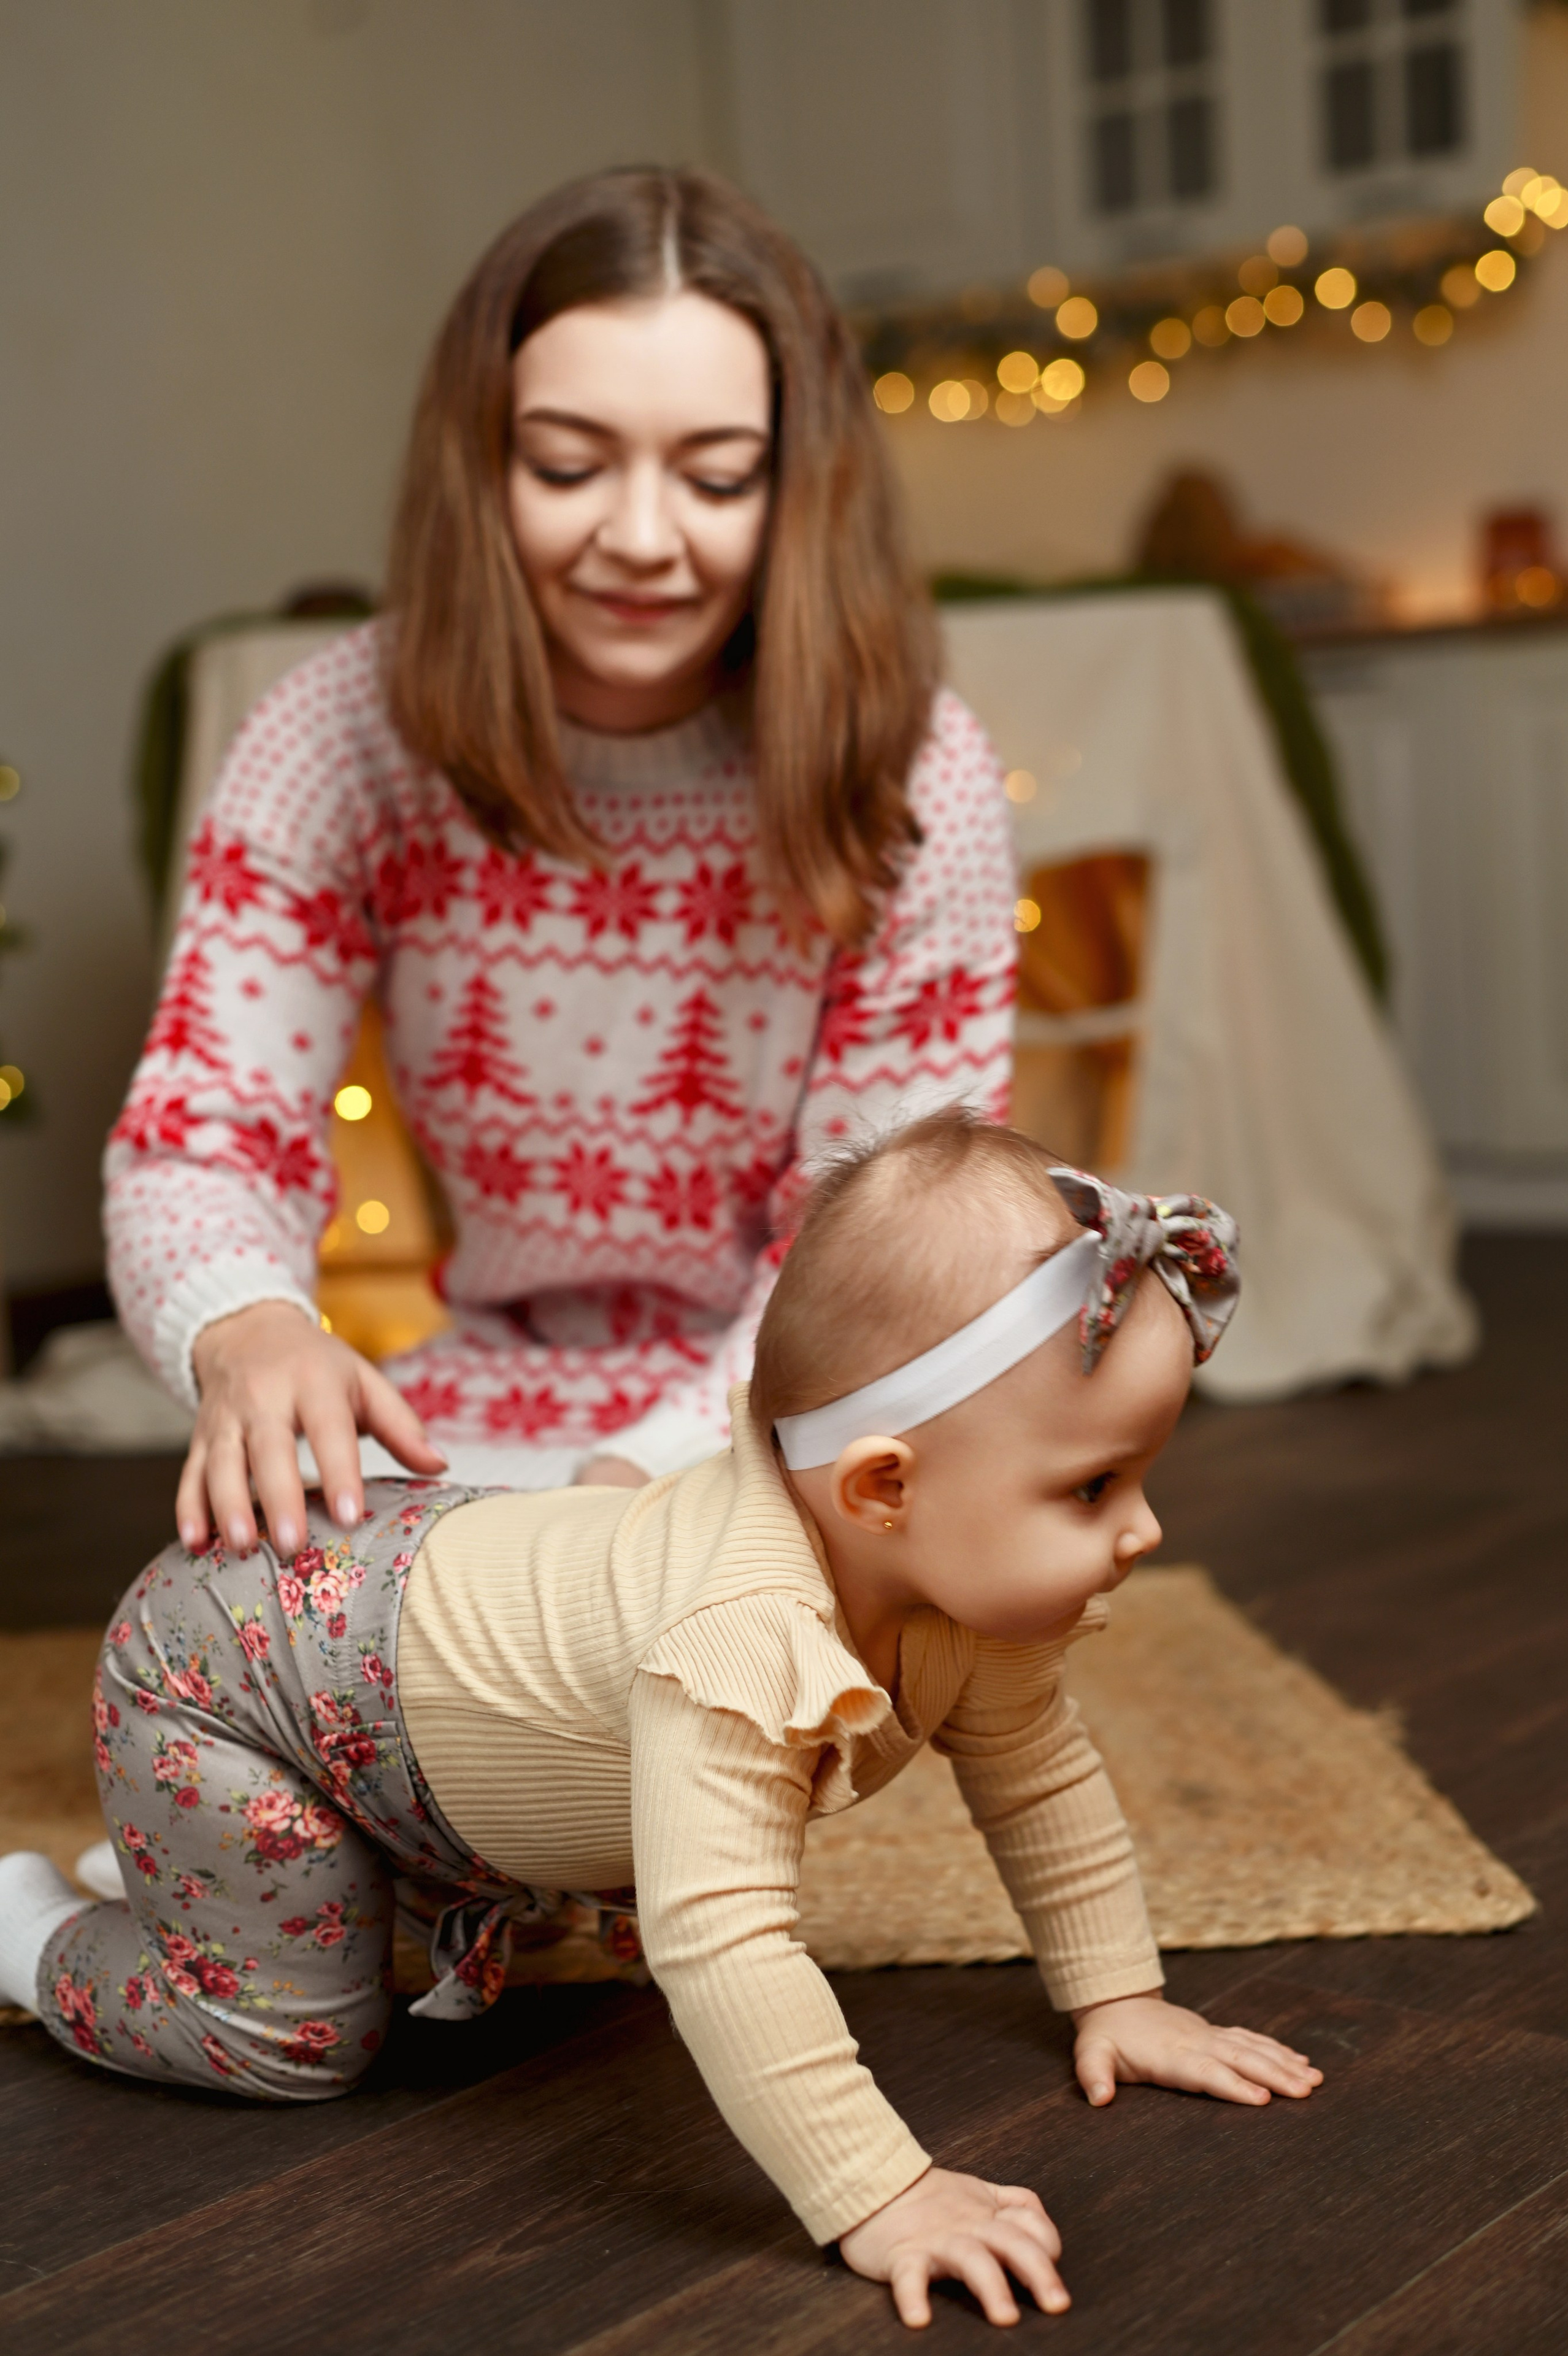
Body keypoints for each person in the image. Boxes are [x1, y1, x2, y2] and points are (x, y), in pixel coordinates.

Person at [2, 1117, 1320, 2331]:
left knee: (392, 1907)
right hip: (231, 1677)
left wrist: (1121, 1993)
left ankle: (220, 1886)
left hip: (385, 1694)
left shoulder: (970, 1599)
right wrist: (879, 2191)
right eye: (1090, 1488)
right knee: (291, 2042)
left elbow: (1039, 1781)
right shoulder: (733, 1641)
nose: (1141, 1529)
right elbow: (726, 1946)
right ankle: (38, 1924)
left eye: (1138, 1475)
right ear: (880, 1489)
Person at [102, 164, 1018, 1569]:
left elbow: (893, 1253)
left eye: (715, 476)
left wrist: (634, 1488)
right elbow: (201, 1130)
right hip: (459, 1416)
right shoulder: (334, 735)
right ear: (480, 462)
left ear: (797, 481)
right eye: (567, 466)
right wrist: (247, 1328)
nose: (640, 539)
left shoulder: (913, 770)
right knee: (198, 1664)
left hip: (806, 1414)